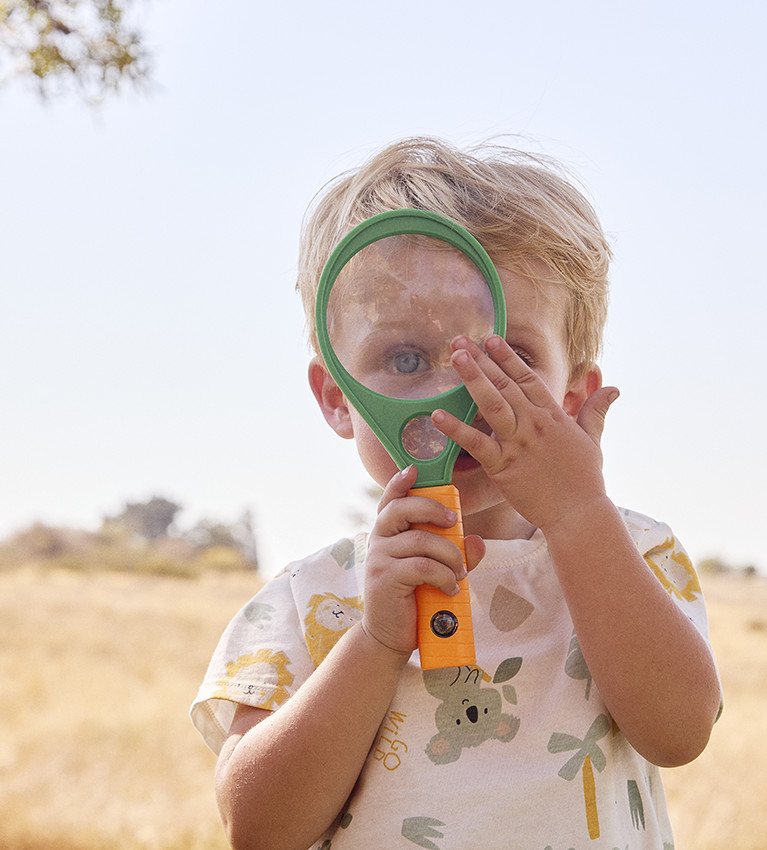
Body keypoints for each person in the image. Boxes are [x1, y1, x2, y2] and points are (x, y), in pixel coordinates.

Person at [190, 137, 722, 850]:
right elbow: (259, 829)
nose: (458, 398)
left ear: (571, 397)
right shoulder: (305, 600)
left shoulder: (635, 554)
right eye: (406, 358)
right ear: (338, 397)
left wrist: (577, 515)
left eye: (510, 357)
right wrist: (376, 642)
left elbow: (680, 732)